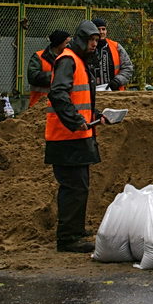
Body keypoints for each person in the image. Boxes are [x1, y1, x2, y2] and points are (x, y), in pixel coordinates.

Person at [45, 20, 104, 253]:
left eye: (96, 41)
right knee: (73, 188)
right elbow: (58, 94)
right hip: (66, 137)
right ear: (80, 39)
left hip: (76, 135)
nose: (94, 45)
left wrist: (96, 116)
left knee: (79, 186)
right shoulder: (68, 60)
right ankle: (68, 238)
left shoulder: (78, 61)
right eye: (91, 40)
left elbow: (78, 100)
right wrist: (75, 121)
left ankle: (75, 231)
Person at [27, 30, 71, 107]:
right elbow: (33, 77)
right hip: (38, 106)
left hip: (60, 106)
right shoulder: (38, 57)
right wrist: (57, 76)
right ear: (59, 43)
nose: (69, 46)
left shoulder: (69, 58)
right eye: (66, 43)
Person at [90, 18, 134, 90]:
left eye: (103, 29)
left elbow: (128, 67)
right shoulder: (86, 48)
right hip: (92, 93)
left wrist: (117, 81)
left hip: (114, 92)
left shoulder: (116, 47)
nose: (101, 32)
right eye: (98, 29)